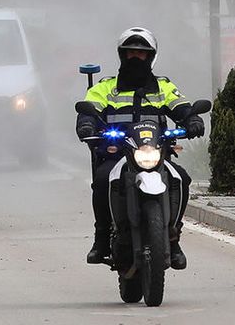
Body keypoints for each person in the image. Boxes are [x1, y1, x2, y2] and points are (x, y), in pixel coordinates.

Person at [75, 27, 205, 269]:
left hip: (155, 154)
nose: (135, 57)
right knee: (102, 179)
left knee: (181, 179)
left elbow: (182, 107)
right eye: (131, 53)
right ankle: (101, 239)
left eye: (141, 53)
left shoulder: (164, 86)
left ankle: (173, 238)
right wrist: (86, 124)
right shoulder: (106, 87)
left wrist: (192, 119)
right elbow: (89, 108)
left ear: (151, 56)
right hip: (117, 154)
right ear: (122, 55)